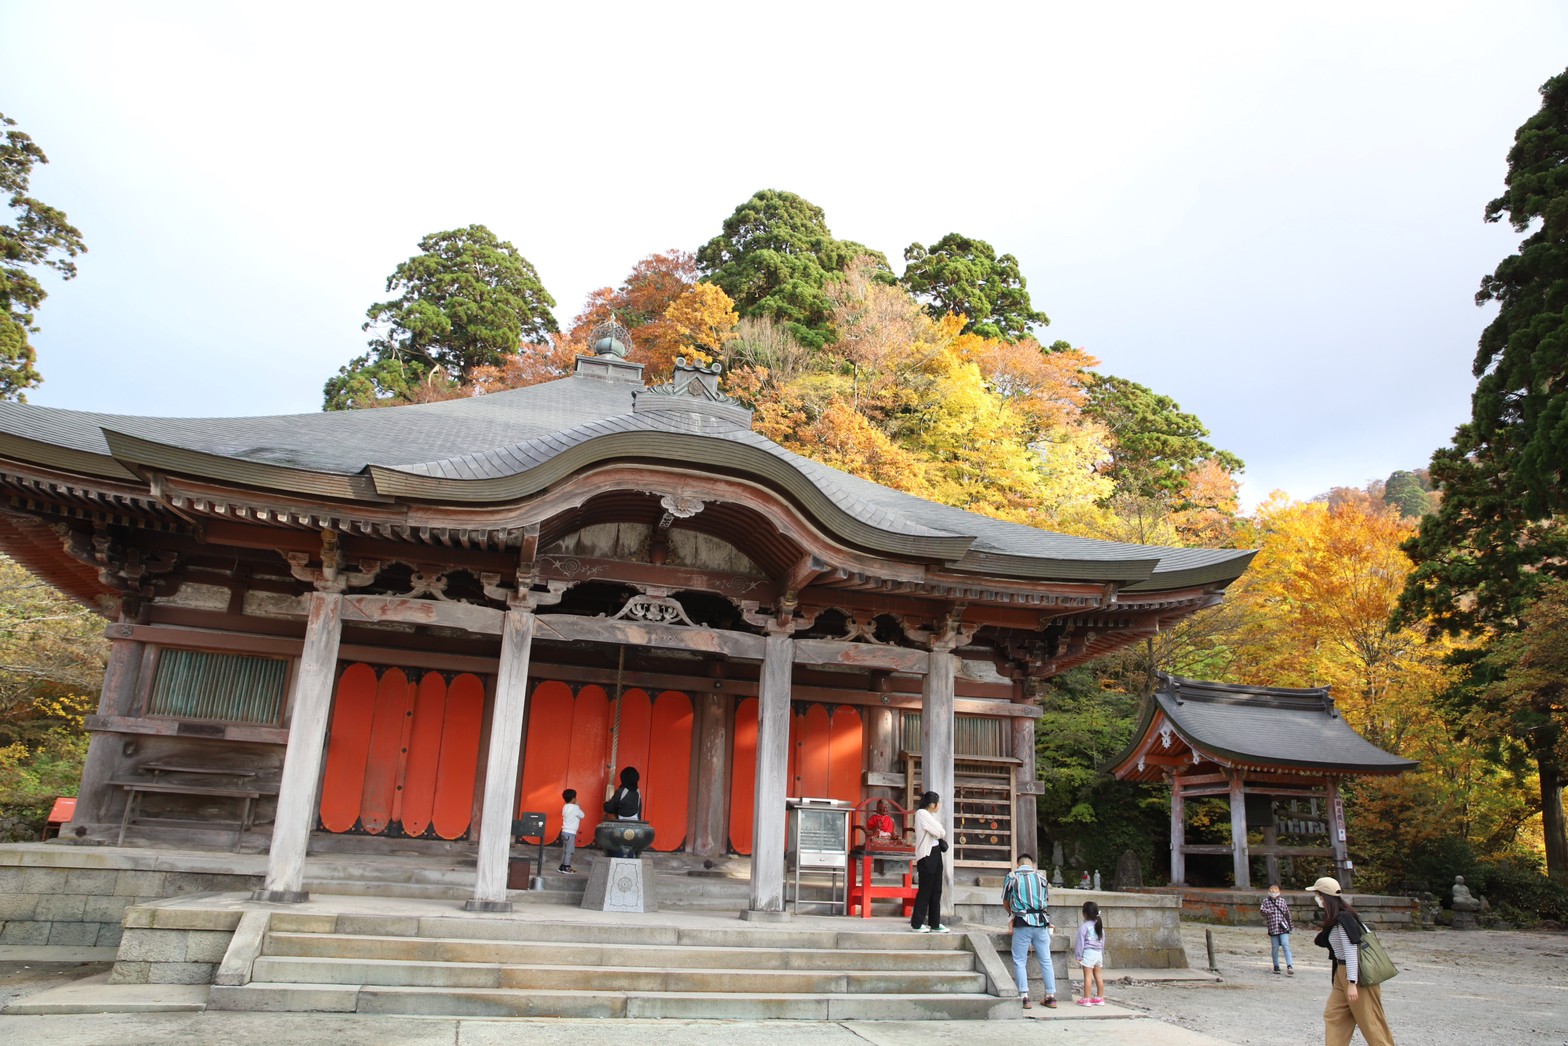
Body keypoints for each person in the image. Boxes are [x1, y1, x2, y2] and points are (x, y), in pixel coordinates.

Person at [1307, 876, 1396, 1046]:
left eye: (1317, 894)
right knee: (1334, 1016)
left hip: (1355, 974)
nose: (1316, 898)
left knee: (1370, 1022)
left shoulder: (1343, 919)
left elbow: (1351, 950)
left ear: (1323, 896)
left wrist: (1352, 982)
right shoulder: (1337, 919)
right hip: (1342, 973)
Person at [1003, 853, 1057, 1009]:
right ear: (1032, 865)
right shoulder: (1041, 879)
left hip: (1022, 922)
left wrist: (1011, 915)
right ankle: (1051, 996)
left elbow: (1006, 901)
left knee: (1020, 960)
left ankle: (1024, 996)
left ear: (1017, 864)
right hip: (1041, 922)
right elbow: (1045, 902)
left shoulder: (1012, 877)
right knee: (1046, 960)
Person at [910, 790, 949, 933]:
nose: (939, 806)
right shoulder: (921, 814)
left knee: (936, 889)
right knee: (925, 890)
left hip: (936, 853)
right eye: (938, 803)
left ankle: (935, 923)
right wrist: (939, 830)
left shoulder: (929, 815)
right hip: (926, 855)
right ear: (932, 804)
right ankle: (917, 923)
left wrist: (938, 830)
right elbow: (940, 832)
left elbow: (938, 831)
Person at [1073, 900, 1105, 1005]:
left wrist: (1078, 955)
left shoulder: (1084, 927)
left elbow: (1080, 942)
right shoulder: (1099, 926)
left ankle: (1086, 998)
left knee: (1088, 976)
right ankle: (1100, 998)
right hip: (1098, 953)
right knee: (1099, 977)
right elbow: (1103, 941)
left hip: (1088, 953)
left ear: (1084, 914)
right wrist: (1101, 952)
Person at [1261, 882, 1295, 974]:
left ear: (1279, 891)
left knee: (1285, 945)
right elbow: (1262, 911)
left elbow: (1287, 914)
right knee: (1275, 947)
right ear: (1268, 890)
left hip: (1283, 927)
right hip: (1272, 927)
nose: (1273, 891)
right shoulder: (1265, 901)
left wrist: (1290, 926)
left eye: (1276, 889)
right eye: (1271, 889)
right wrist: (1269, 912)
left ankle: (1289, 965)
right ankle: (1276, 966)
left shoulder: (1282, 901)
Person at [558, 788, 585, 874]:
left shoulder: (565, 807)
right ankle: (566, 867)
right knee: (569, 851)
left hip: (564, 831)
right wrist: (577, 806)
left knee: (565, 850)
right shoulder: (575, 808)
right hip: (571, 833)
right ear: (573, 799)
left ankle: (562, 866)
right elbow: (582, 815)